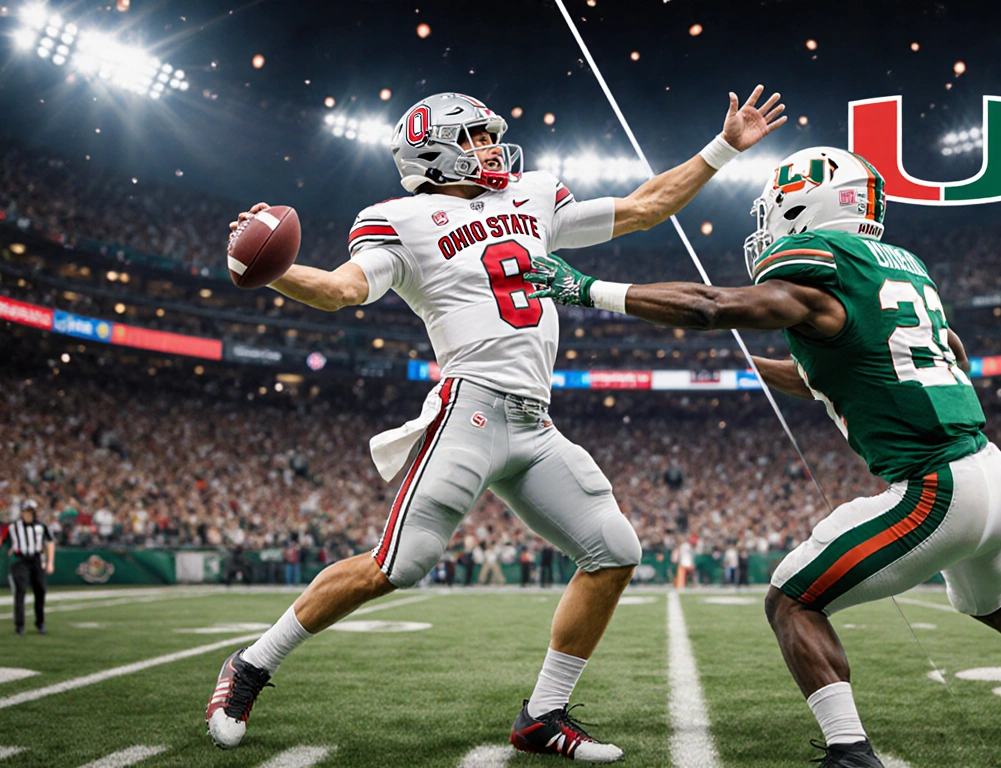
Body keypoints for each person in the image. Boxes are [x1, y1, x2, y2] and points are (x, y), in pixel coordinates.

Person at [206, 86, 787, 762]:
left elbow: (646, 206)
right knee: (404, 561)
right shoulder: (398, 218)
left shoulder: (532, 195)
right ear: (434, 151)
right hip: (471, 404)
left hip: (535, 421)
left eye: (489, 135)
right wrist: (269, 269)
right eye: (476, 137)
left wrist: (722, 148)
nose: (491, 147)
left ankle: (541, 715)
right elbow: (342, 290)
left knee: (614, 549)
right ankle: (248, 667)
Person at [525, 145, 1001, 765]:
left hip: (937, 488)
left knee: (792, 598)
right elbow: (917, 349)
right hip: (993, 475)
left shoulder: (821, 271)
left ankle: (849, 750)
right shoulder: (900, 266)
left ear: (806, 206)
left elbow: (713, 306)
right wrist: (756, 368)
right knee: (994, 604)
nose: (766, 224)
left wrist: (588, 289)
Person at [6, 500, 54, 635]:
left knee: (40, 591)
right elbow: (4, 541)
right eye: (25, 512)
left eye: (30, 512)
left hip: (36, 559)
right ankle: (19, 625)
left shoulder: (41, 526)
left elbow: (50, 543)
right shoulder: (13, 527)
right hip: (20, 559)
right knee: (20, 590)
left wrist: (50, 562)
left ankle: (40, 623)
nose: (27, 514)